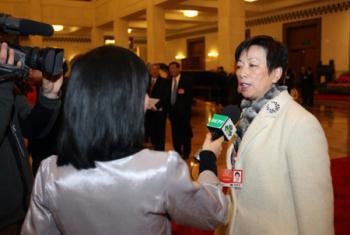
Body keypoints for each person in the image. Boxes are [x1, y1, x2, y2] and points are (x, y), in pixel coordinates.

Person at [21, 45, 228, 235]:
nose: (147, 100)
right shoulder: (160, 169)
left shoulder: (49, 171)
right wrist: (208, 157)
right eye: (141, 92)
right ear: (125, 101)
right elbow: (214, 213)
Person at [226, 35, 333, 234]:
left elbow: (315, 211)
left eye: (253, 65)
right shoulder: (248, 113)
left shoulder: (301, 124)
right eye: (239, 66)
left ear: (276, 74)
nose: (242, 73)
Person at [0, 42, 62, 234]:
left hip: (23, 207)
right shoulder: (4, 87)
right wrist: (3, 86)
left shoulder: (9, 88)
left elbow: (32, 129)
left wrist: (48, 97)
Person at [168, 61, 193, 160]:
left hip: (184, 114)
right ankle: (177, 151)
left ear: (179, 68)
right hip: (173, 114)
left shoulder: (186, 80)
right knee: (175, 133)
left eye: (174, 68)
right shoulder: (169, 81)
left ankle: (186, 153)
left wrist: (184, 110)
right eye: (170, 68)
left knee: (185, 134)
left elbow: (190, 97)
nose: (172, 70)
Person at [145, 63, 170, 150]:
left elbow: (166, 96)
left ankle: (160, 152)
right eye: (152, 69)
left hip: (159, 111)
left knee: (159, 134)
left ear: (159, 70)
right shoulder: (146, 81)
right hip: (148, 112)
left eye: (156, 69)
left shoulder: (165, 81)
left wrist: (156, 106)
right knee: (150, 133)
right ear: (150, 71)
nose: (154, 71)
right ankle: (152, 151)